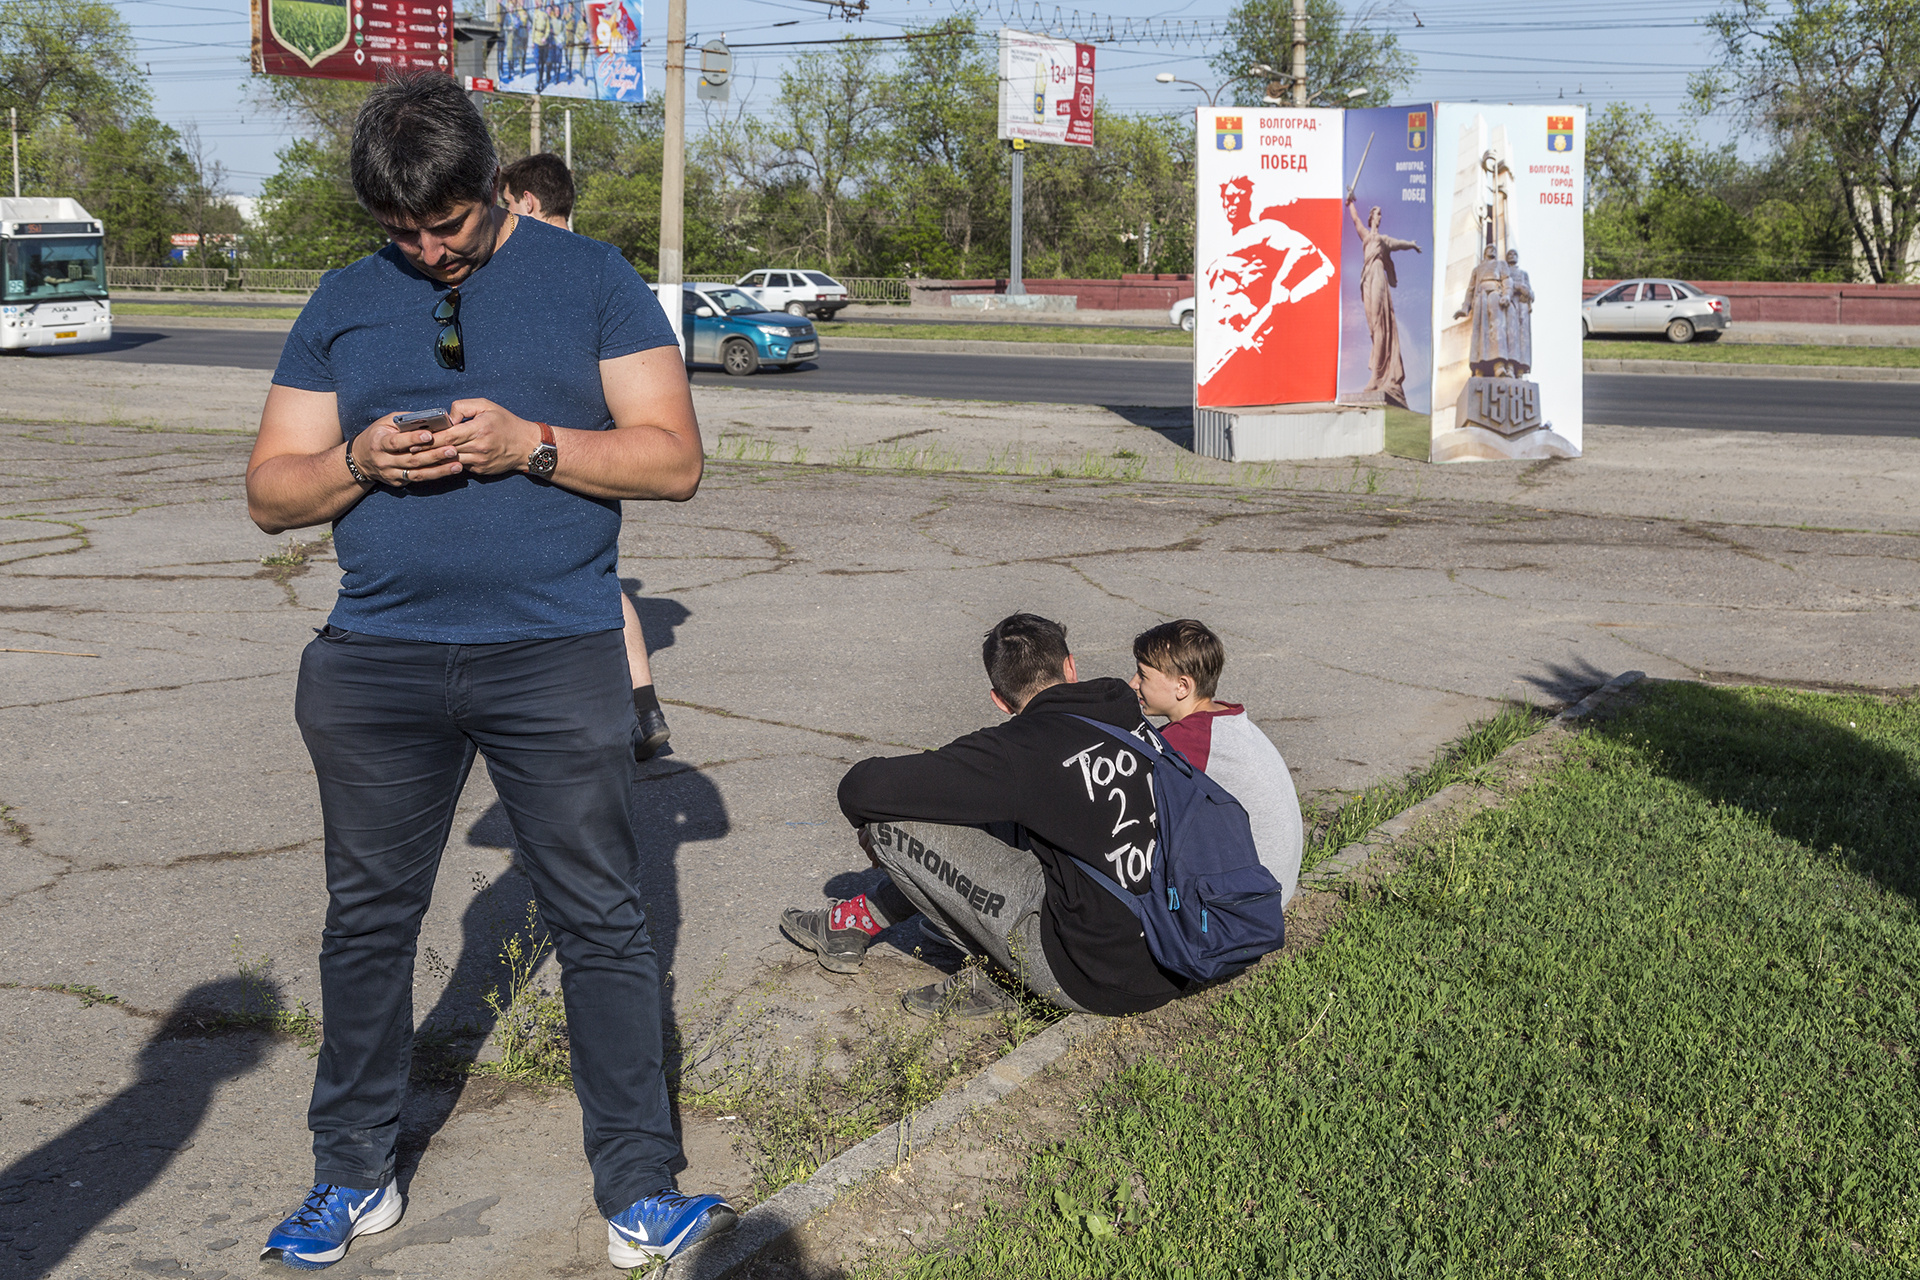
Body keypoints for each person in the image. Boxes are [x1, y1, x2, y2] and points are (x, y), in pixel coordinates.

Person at [244, 72, 732, 1271]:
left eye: (447, 226)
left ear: (490, 188)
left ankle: (639, 1184)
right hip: (376, 663)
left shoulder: (593, 281)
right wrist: (357, 459)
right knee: (366, 924)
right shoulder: (347, 298)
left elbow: (674, 461)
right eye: (402, 232)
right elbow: (270, 491)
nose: (427, 251)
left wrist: (535, 444)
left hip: (554, 652)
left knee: (605, 923)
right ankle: (352, 1172)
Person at [777, 614, 1187, 1019]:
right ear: (1071, 667)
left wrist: (878, 827)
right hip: (1175, 948)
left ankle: (1005, 978)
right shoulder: (1121, 706)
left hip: (1096, 979)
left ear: (1000, 699)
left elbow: (861, 788)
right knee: (985, 808)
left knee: (890, 827)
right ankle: (855, 923)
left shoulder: (1020, 749)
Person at [501, 151, 671, 760]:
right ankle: (643, 709)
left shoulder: (541, 266)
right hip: (604, 446)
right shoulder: (604, 265)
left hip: (546, 446)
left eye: (506, 203)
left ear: (524, 201)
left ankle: (580, 719)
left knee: (577, 582)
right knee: (601, 577)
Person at [1128, 620, 1303, 905]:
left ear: (1182, 686)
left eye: (1142, 675)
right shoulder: (1223, 718)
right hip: (1275, 880)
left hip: (1248, 901)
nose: (1133, 683)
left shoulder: (1189, 741)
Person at [1344, 194, 1421, 409]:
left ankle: (1377, 377)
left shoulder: (1382, 240)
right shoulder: (1366, 236)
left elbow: (1398, 244)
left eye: (1380, 215)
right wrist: (1350, 203)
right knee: (1372, 328)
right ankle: (1380, 373)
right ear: (1372, 217)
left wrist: (1411, 244)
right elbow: (1355, 220)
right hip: (1366, 277)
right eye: (1377, 214)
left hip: (1378, 274)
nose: (1380, 217)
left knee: (1378, 327)